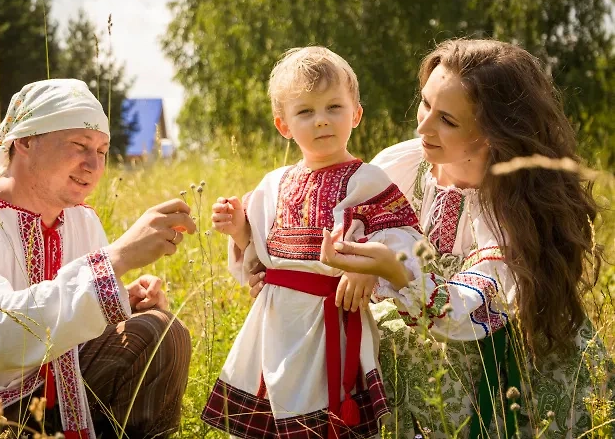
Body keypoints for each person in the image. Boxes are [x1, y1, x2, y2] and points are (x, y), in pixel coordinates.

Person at [248, 38, 615, 437]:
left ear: (493, 132)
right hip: (419, 347)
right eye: (425, 104)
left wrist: (394, 270)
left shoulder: (510, 212)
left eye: (448, 120)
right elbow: (344, 233)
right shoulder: (400, 164)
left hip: (497, 366)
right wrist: (293, 273)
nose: (422, 126)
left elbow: (463, 317)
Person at [0, 79, 196, 439]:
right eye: (79, 145)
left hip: (54, 392)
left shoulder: (81, 219)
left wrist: (124, 303)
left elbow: (74, 322)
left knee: (158, 329)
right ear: (25, 140)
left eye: (102, 150)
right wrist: (115, 259)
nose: (93, 165)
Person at [201, 46, 423, 439]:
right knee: (268, 416)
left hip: (332, 321)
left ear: (355, 114)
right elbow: (258, 260)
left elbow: (406, 238)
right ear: (283, 125)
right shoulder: (272, 185)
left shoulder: (368, 181)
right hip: (274, 325)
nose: (321, 121)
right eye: (305, 111)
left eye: (334, 107)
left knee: (327, 417)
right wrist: (238, 229)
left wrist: (367, 269)